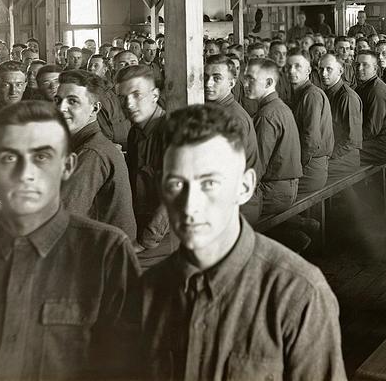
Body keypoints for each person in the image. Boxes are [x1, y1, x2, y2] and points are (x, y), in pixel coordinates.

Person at [0, 101, 141, 381]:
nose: (25, 174)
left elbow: (133, 368)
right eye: (10, 158)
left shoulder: (107, 254)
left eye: (41, 157)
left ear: (67, 167)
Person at [140, 103, 346, 380]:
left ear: (245, 186)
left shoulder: (297, 294)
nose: (190, 206)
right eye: (176, 184)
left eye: (209, 184)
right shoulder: (149, 291)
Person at [55, 70, 136, 241]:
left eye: (72, 101)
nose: (61, 108)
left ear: (95, 108)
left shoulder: (91, 153)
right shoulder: (85, 143)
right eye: (58, 100)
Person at [116, 64, 171, 264]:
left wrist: (144, 241)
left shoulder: (170, 132)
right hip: (141, 224)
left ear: (155, 95)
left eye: (136, 94)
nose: (129, 104)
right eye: (122, 97)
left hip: (165, 235)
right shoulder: (135, 132)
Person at [204, 55, 261, 223]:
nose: (208, 83)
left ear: (231, 83)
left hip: (239, 205)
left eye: (217, 78)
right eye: (205, 77)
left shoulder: (234, 118)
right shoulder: (215, 110)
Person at [243, 57, 302, 215]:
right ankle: (298, 229)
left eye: (251, 79)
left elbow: (257, 167)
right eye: (245, 78)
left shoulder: (266, 115)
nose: (245, 84)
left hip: (274, 192)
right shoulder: (279, 106)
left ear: (268, 83)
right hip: (286, 187)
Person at [284, 49, 333, 195]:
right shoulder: (298, 94)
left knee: (273, 193)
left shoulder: (311, 95)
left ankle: (304, 219)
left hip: (311, 168)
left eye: (298, 66)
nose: (292, 71)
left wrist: (293, 168)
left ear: (308, 70)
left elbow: (310, 141)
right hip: (306, 164)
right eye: (288, 67)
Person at [318, 54, 362, 179]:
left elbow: (352, 140)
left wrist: (328, 155)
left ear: (340, 71)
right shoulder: (326, 92)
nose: (324, 73)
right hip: (332, 152)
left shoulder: (347, 97)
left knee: (311, 172)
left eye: (329, 69)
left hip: (345, 157)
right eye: (321, 69)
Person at [354, 50, 386, 165]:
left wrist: (350, 141)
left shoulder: (377, 91)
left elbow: (372, 130)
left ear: (375, 68)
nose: (359, 69)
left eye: (365, 65)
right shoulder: (363, 86)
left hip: (380, 146)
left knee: (341, 156)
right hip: (371, 141)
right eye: (357, 64)